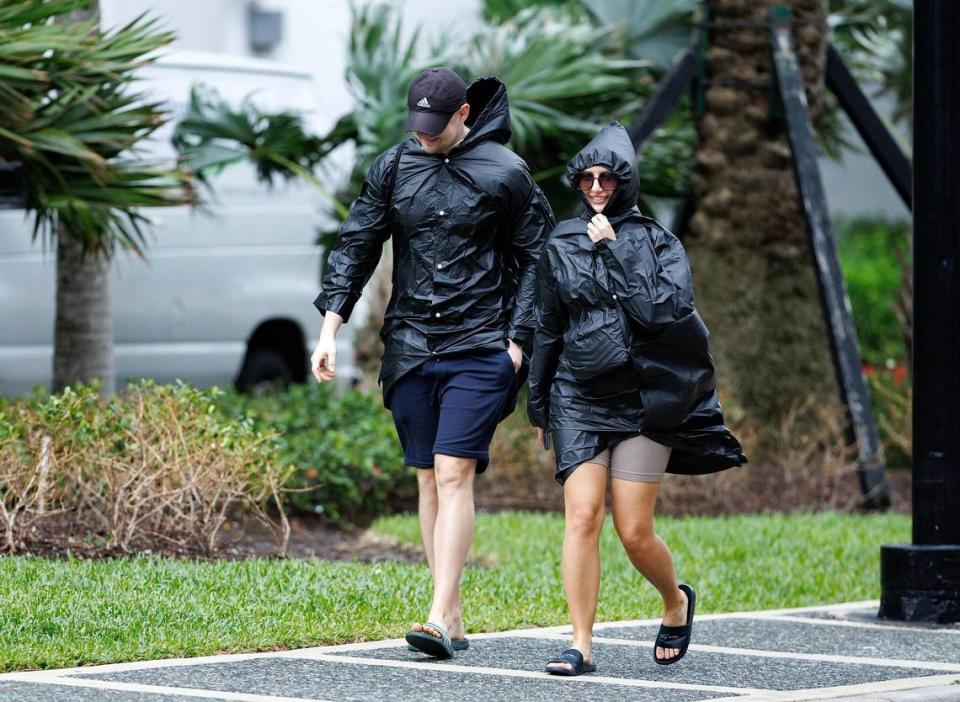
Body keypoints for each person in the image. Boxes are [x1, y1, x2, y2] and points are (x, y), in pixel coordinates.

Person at [311, 67, 554, 659]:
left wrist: (516, 343)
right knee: (427, 476)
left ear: (464, 115)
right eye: (416, 126)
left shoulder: (507, 173)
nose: (424, 136)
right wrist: (329, 331)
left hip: (480, 345)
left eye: (436, 126)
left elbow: (540, 260)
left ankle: (439, 615)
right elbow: (357, 244)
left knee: (453, 472)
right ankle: (453, 611)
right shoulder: (394, 168)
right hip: (412, 345)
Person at [527, 122, 746, 675]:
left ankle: (675, 600)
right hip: (576, 395)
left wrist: (615, 250)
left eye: (607, 178)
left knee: (633, 530)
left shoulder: (658, 243)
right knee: (581, 517)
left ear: (626, 182)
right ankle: (580, 644)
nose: (596, 188)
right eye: (587, 178)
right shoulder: (559, 242)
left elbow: (657, 312)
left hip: (643, 399)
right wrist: (537, 403)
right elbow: (548, 325)